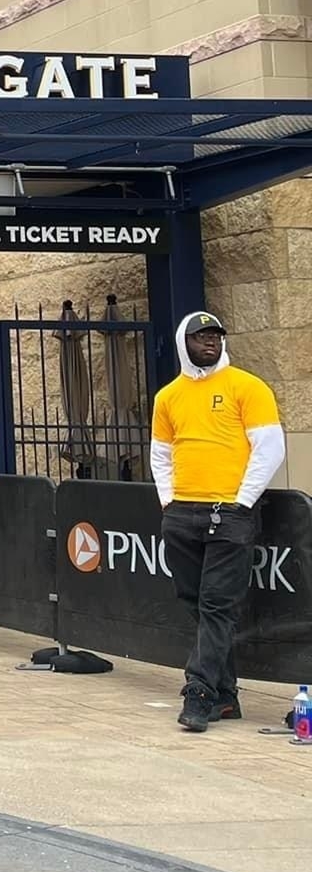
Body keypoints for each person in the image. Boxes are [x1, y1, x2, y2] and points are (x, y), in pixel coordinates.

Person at [150, 311, 284, 733]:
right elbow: (161, 454)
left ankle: (200, 691)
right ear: (182, 342)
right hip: (182, 513)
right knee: (195, 602)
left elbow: (270, 448)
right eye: (200, 336)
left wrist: (242, 502)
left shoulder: (248, 386)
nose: (210, 341)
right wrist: (168, 502)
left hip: (230, 514)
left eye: (215, 335)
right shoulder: (168, 397)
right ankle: (226, 696)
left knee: (216, 605)